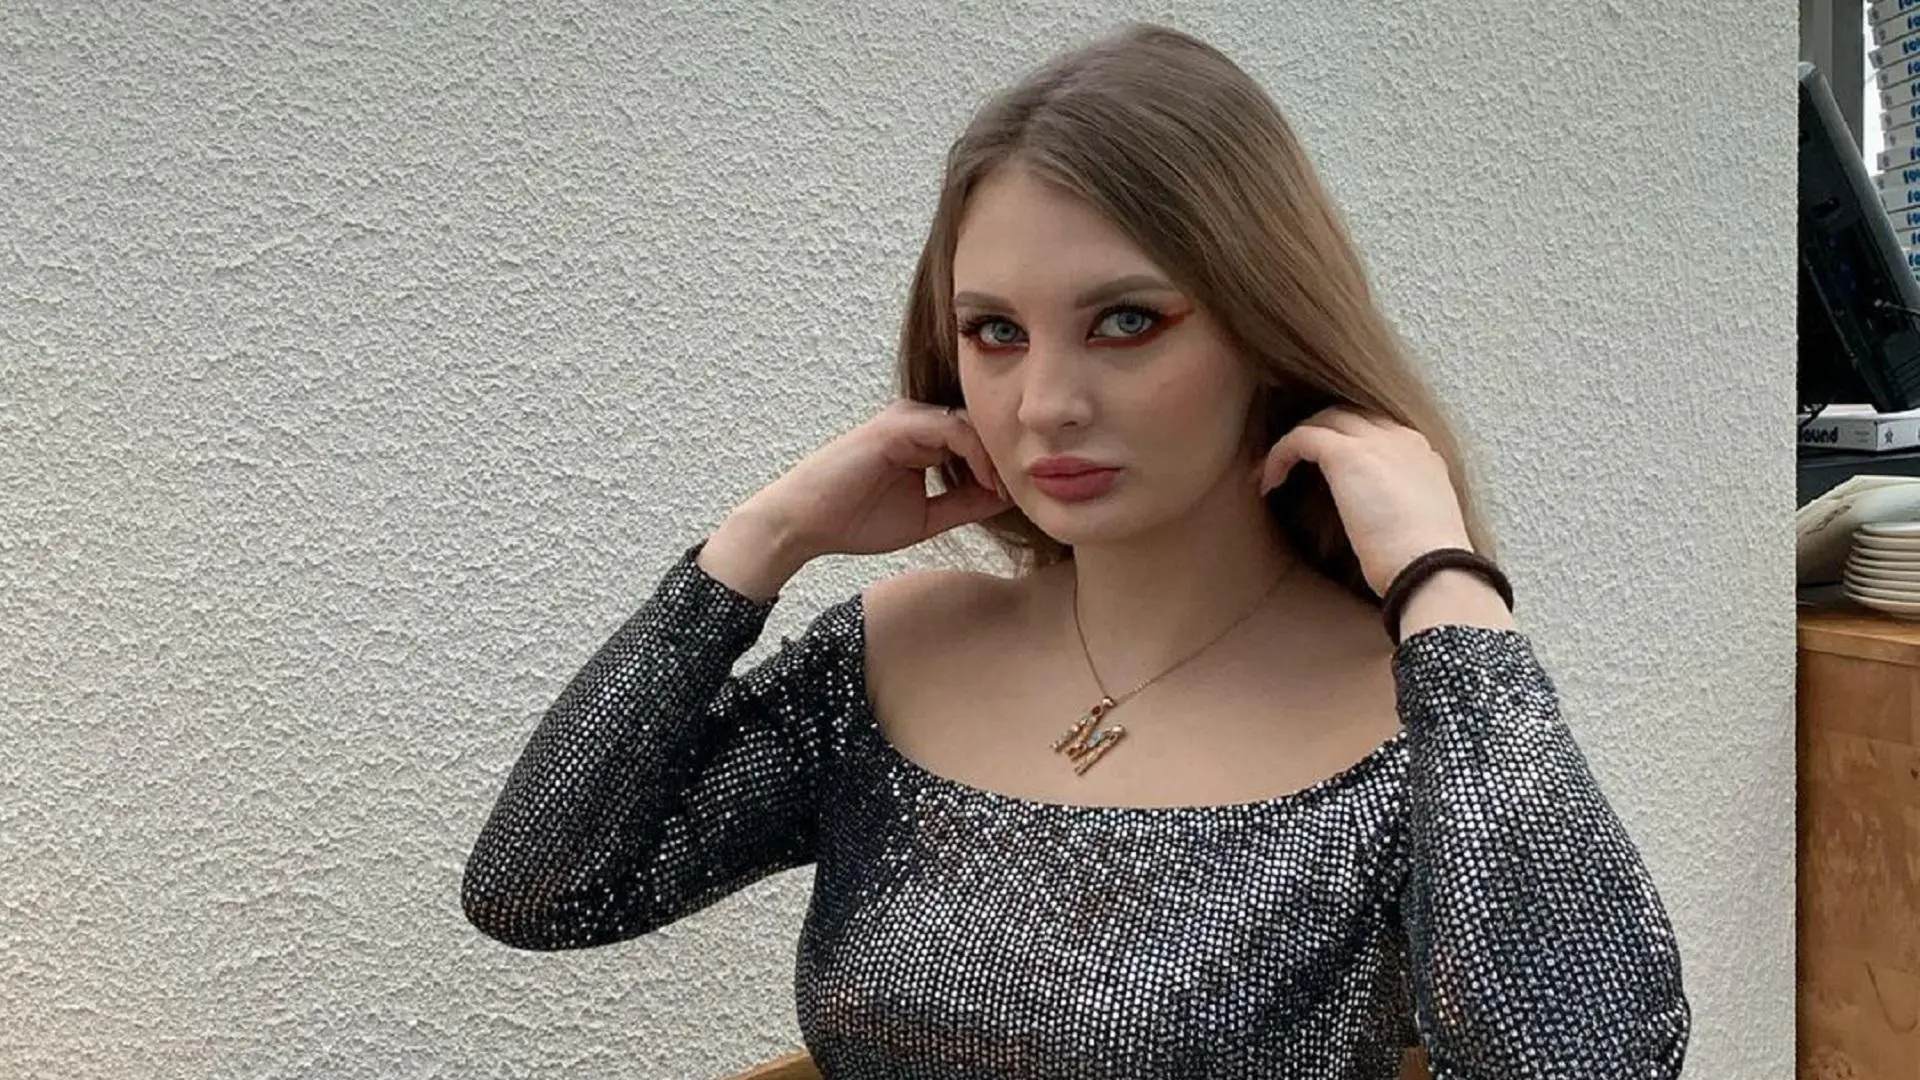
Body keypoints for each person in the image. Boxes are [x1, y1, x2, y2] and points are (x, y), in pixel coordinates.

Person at [459, 21, 1690, 1079]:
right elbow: (540, 889)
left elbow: (1586, 1058)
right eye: (995, 333)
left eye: (1127, 321)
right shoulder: (895, 652)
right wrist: (759, 543)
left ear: (1270, 328)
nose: (1044, 403)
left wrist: (1447, 590)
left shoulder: (1419, 715)